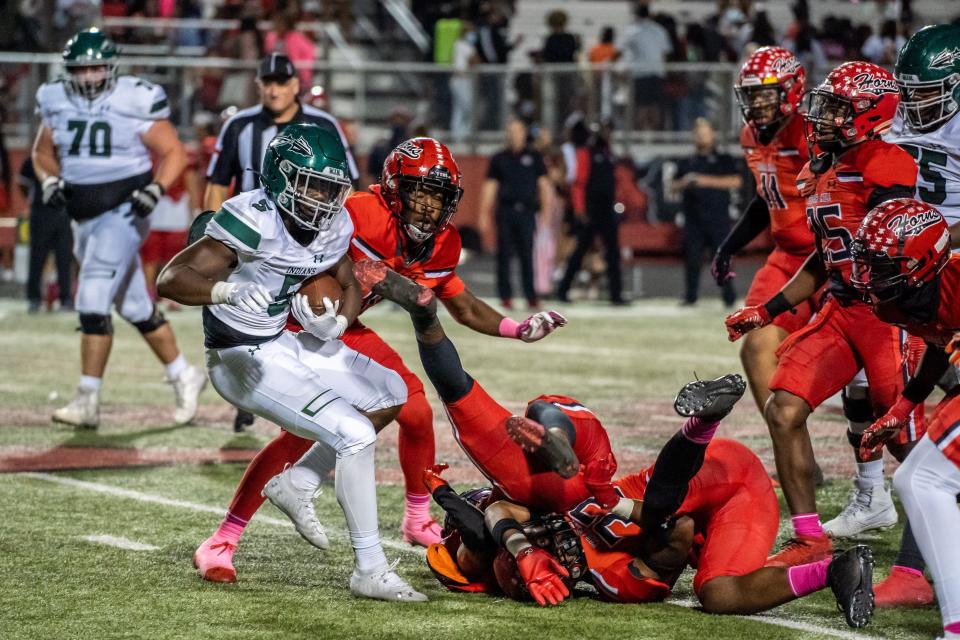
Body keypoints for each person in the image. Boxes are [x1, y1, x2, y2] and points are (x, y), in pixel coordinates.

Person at [189, 138, 568, 582]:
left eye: (439, 197)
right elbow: (312, 255)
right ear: (393, 188)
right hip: (294, 323)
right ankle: (224, 539)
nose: (429, 207)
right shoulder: (361, 212)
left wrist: (516, 329)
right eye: (420, 192)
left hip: (345, 324)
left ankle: (415, 515)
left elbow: (461, 305)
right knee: (300, 434)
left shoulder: (442, 242)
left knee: (412, 404)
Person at [157, 123, 425, 602]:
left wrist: (338, 325)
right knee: (354, 433)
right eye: (312, 183)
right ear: (280, 178)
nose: (322, 197)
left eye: (329, 186)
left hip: (280, 340)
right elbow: (171, 278)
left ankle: (298, 482)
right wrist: (225, 289)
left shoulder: (333, 222)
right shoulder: (253, 218)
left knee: (393, 393)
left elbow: (345, 279)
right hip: (237, 356)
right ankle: (370, 568)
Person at [426, 374, 875, 629]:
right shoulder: (611, 579)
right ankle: (836, 571)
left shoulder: (545, 508)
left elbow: (498, 511)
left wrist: (517, 546)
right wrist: (619, 520)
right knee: (716, 593)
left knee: (652, 503)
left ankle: (702, 423)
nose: (553, 546)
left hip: (705, 472)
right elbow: (677, 536)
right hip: (731, 499)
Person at [724, 61, 923, 567]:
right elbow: (824, 257)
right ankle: (809, 538)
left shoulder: (886, 163)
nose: (823, 117)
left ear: (869, 113)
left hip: (887, 316)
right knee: (784, 409)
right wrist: (765, 310)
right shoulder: (821, 168)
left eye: (837, 108)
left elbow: (904, 243)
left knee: (902, 437)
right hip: (842, 307)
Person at [31, 28, 206, 429]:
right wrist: (50, 181)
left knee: (92, 299)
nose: (90, 77)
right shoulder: (56, 99)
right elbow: (42, 152)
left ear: (110, 68)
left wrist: (157, 188)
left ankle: (87, 399)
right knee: (133, 305)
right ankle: (184, 374)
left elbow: (173, 151)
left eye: (97, 68)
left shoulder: (133, 98)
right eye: (82, 69)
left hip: (124, 210)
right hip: (83, 215)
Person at [846, 23, 960, 608]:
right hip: (916, 267)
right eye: (910, 90)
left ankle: (918, 571)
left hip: (938, 261)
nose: (916, 103)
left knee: (938, 449)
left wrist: (932, 237)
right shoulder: (898, 122)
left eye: (929, 90)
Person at [849, 199, 960, 638]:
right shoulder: (902, 299)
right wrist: (902, 408)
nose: (870, 275)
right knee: (920, 477)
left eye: (882, 264)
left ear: (924, 258)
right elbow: (939, 342)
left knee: (923, 480)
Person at [713, 47, 814, 412]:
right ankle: (788, 442)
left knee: (861, 374)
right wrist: (729, 245)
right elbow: (767, 200)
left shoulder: (812, 135)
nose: (756, 104)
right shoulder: (750, 135)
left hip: (832, 261)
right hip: (787, 258)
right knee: (756, 348)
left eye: (765, 94)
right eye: (751, 94)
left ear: (790, 90)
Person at [204, 53, 358, 212]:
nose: (274, 92)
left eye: (281, 83)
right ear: (258, 86)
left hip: (310, 226)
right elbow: (217, 185)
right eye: (267, 83)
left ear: (296, 85)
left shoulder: (324, 125)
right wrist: (215, 231)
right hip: (250, 225)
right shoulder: (238, 125)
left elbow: (347, 187)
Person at [481, 118, 553, 309]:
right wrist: (484, 213)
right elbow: (490, 187)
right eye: (510, 131)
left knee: (527, 255)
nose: (514, 135)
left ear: (523, 132)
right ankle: (505, 296)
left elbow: (544, 186)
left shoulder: (534, 157)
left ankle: (531, 295)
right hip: (505, 210)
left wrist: (546, 213)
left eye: (517, 131)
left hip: (527, 211)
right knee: (503, 255)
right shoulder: (499, 158)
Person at [673, 118, 742, 307]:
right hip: (693, 219)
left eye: (705, 132)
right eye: (698, 133)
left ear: (712, 135)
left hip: (717, 218)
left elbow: (735, 181)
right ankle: (690, 295)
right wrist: (686, 182)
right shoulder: (687, 162)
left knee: (722, 259)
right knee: (692, 259)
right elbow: (673, 185)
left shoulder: (723, 159)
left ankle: (728, 296)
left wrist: (703, 181)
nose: (701, 137)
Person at [556, 121, 626, 305]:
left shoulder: (609, 154)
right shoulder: (587, 152)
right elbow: (579, 184)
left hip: (606, 209)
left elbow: (614, 183)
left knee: (613, 252)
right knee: (580, 251)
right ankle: (563, 289)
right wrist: (580, 210)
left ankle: (616, 294)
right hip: (591, 210)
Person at [20, 157, 73, 313]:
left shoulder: (68, 158)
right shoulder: (35, 158)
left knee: (64, 258)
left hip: (65, 213)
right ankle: (34, 298)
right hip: (41, 212)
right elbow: (22, 182)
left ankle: (65, 298)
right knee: (37, 257)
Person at [618, 4, 672, 130]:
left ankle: (639, 134)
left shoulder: (632, 30)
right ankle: (655, 135)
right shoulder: (659, 30)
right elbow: (665, 53)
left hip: (640, 73)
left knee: (641, 106)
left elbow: (619, 50)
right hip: (657, 72)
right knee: (654, 106)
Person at [449, 22, 478, 144]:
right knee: (464, 108)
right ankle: (459, 134)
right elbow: (474, 61)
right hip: (461, 79)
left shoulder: (464, 45)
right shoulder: (462, 45)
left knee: (462, 109)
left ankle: (461, 134)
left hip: (465, 79)